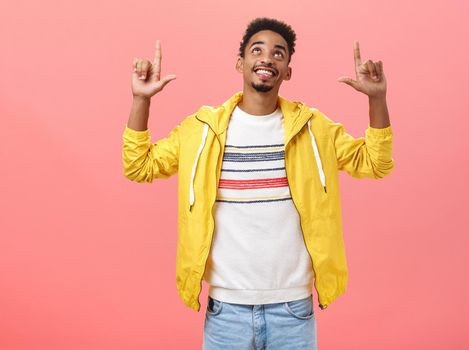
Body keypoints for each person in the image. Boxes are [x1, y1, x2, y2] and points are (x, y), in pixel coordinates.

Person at [122, 17, 394, 350]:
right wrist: (141, 100)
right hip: (226, 311)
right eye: (257, 50)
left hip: (293, 310)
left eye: (279, 53)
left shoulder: (314, 129)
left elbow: (375, 163)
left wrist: (377, 99)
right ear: (241, 63)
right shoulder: (201, 130)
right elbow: (138, 166)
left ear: (288, 71)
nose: (267, 58)